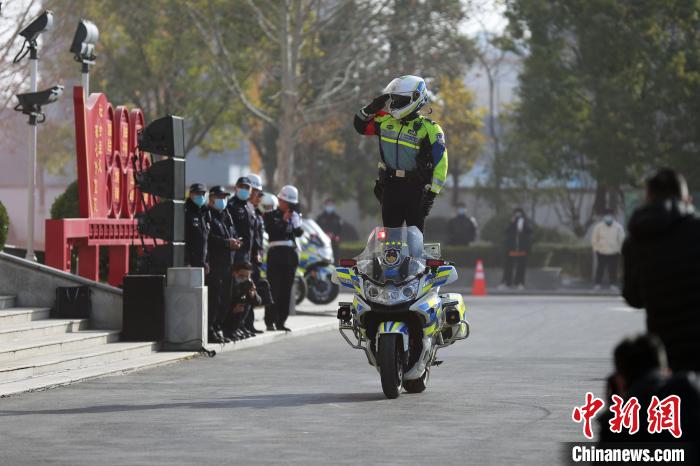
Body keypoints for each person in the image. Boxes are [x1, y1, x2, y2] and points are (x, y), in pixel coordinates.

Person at [623, 168, 700, 372]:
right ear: (686, 198)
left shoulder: (635, 238)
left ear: (647, 197)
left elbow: (633, 297)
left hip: (664, 347)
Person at [353, 75, 448, 232]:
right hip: (390, 187)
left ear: (415, 98)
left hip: (416, 191)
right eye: (394, 99)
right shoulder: (385, 121)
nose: (395, 103)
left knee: (414, 241)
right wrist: (372, 108)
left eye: (400, 99)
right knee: (390, 241)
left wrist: (431, 195)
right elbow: (360, 126)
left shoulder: (430, 129)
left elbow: (441, 164)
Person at [598, 334, 700, 445]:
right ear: (667, 370)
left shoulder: (621, 425)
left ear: (620, 380)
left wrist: (613, 414)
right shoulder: (693, 390)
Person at [263, 185, 304, 332]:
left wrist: (296, 221)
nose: (288, 205)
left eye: (290, 203)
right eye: (286, 201)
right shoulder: (270, 215)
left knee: (286, 291)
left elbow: (299, 233)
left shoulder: (294, 215)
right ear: (280, 199)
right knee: (274, 289)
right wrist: (283, 220)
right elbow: (272, 231)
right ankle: (270, 321)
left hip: (290, 256)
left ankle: (281, 321)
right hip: (276, 255)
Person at [205, 186, 241, 344]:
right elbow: (209, 238)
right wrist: (226, 243)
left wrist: (235, 242)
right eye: (220, 197)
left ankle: (218, 327)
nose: (223, 200)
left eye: (225, 197)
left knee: (225, 299)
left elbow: (232, 234)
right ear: (212, 199)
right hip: (215, 264)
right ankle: (210, 329)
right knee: (214, 299)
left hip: (228, 264)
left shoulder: (225, 216)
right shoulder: (208, 215)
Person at [223, 260, 263, 341]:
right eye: (241, 276)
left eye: (247, 276)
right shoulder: (227, 282)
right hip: (224, 313)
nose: (244, 278)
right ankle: (226, 330)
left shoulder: (248, 283)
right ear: (234, 273)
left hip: (236, 312)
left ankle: (235, 329)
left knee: (244, 302)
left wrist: (253, 295)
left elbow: (258, 302)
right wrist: (232, 309)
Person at [591, 209, 625, 290]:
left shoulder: (618, 227)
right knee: (600, 268)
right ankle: (597, 284)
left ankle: (613, 284)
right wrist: (596, 249)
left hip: (614, 251)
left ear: (613, 217)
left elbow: (621, 239)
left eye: (610, 216)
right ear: (604, 217)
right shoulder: (599, 227)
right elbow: (594, 239)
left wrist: (620, 250)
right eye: (607, 216)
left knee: (613, 268)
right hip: (601, 251)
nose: (608, 217)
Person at [499, 208, 532, 290]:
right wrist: (512, 222)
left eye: (519, 213)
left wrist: (524, 223)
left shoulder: (526, 222)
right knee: (508, 267)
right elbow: (506, 231)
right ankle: (507, 282)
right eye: (516, 213)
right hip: (511, 249)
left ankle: (519, 283)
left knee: (521, 267)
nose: (517, 215)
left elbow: (530, 231)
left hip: (522, 249)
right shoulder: (511, 222)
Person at [184, 183, 209, 271]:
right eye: (197, 193)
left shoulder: (204, 212)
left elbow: (206, 239)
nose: (201, 196)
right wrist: (186, 262)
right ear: (190, 194)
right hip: (190, 263)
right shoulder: (186, 212)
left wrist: (207, 261)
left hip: (202, 262)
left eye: (202, 194)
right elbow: (184, 239)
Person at [316, 198, 343, 263]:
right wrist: (325, 235)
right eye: (328, 205)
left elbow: (341, 231)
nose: (330, 207)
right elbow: (316, 229)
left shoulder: (337, 218)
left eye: (331, 205)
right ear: (325, 205)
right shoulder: (320, 218)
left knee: (335, 262)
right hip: (323, 244)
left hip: (334, 244)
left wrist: (336, 236)